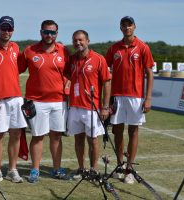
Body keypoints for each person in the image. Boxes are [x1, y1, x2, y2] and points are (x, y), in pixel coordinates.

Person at [18, 20, 70, 183]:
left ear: (57, 33)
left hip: (59, 101)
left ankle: (56, 169)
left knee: (56, 137)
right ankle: (35, 170)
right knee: (38, 136)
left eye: (52, 32)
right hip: (37, 101)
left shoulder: (64, 50)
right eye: (46, 32)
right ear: (41, 32)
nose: (49, 35)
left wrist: (67, 84)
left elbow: (70, 72)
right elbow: (14, 70)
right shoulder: (29, 50)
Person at [105, 16, 154, 184]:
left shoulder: (143, 47)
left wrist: (147, 98)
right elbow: (105, 71)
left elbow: (149, 74)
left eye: (129, 25)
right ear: (120, 28)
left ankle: (130, 169)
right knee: (117, 131)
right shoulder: (114, 48)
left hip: (136, 96)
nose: (127, 28)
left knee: (133, 131)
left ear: (134, 26)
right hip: (117, 96)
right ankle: (119, 165)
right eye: (124, 25)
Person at [0, 16, 27, 185]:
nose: (6, 31)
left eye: (9, 29)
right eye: (3, 28)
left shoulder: (16, 47)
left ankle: (12, 170)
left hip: (16, 98)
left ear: (13, 30)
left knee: (16, 134)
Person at [65, 30, 111, 178]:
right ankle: (81, 168)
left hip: (92, 107)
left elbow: (106, 83)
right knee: (78, 139)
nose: (78, 43)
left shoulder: (99, 59)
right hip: (75, 106)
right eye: (75, 41)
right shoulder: (71, 59)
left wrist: (105, 106)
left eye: (81, 40)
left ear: (88, 41)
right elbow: (66, 77)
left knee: (93, 140)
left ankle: (94, 169)